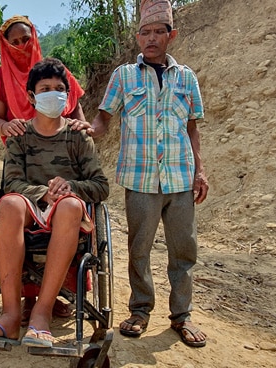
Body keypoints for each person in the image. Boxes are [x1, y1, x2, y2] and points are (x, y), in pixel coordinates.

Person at [0, 57, 109, 348]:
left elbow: (100, 185)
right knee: (9, 204)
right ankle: (9, 316)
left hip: (66, 211)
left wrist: (70, 186)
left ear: (67, 97)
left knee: (70, 206)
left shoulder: (78, 136)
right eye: (45, 88)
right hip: (29, 207)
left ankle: (41, 314)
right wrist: (43, 193)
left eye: (59, 88)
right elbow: (11, 184)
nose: (53, 94)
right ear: (31, 96)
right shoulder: (19, 135)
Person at [90, 0, 208, 347]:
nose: (151, 38)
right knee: (139, 249)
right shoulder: (124, 76)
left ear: (171, 35)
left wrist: (200, 172)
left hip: (181, 178)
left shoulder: (186, 77)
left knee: (184, 251)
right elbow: (103, 120)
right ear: (138, 37)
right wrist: (87, 127)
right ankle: (140, 311)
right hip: (140, 179)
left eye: (159, 32)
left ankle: (181, 317)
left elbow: (193, 128)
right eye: (145, 32)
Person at [0, 15, 87, 323]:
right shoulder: (0, 77)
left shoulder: (55, 72)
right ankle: (21, 305)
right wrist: (9, 126)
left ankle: (50, 297)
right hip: (23, 150)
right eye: (13, 41)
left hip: (62, 150)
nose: (20, 46)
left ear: (34, 38)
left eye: (25, 39)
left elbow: (76, 108)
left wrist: (79, 128)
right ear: (5, 44)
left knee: (68, 209)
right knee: (15, 207)